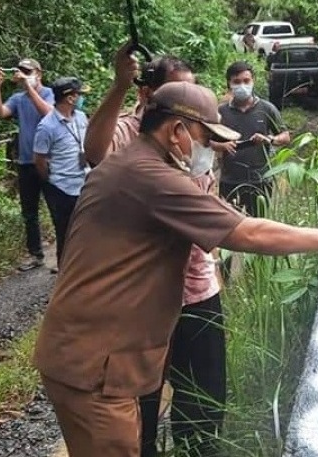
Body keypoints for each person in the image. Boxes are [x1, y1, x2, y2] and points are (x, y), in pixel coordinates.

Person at [33, 80, 318, 457]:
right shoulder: (151, 178)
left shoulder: (133, 164)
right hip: (95, 365)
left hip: (86, 354)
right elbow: (248, 234)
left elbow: (226, 218)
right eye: (206, 136)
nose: (211, 147)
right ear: (177, 130)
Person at [83, 45, 220, 456]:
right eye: (179, 95)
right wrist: (120, 83)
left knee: (204, 394)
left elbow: (212, 205)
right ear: (149, 98)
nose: (189, 106)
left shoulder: (197, 138)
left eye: (193, 92)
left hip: (197, 289)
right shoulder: (128, 134)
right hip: (143, 300)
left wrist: (216, 270)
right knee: (141, 397)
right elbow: (94, 151)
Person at [0, 58, 54, 271]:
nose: (24, 74)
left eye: (28, 71)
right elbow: (0, 113)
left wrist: (29, 86)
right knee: (29, 212)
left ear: (39, 73)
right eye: (21, 71)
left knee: (58, 208)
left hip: (49, 161)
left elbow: (49, 114)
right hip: (26, 162)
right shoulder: (18, 99)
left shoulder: (49, 94)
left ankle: (66, 256)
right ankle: (36, 254)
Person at [212, 61, 291, 218]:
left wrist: (269, 139)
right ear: (229, 84)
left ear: (253, 81)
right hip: (230, 180)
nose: (242, 85)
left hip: (260, 179)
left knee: (258, 225)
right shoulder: (221, 112)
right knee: (230, 226)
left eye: (246, 81)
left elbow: (286, 136)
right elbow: (206, 140)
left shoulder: (267, 109)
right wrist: (222, 146)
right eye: (237, 82)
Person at [33, 77, 90, 271]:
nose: (82, 99)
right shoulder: (47, 126)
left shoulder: (81, 117)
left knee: (87, 234)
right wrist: (50, 180)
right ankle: (65, 282)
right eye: (79, 95)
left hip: (84, 184)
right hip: (62, 188)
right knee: (65, 236)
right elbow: (39, 159)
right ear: (70, 98)